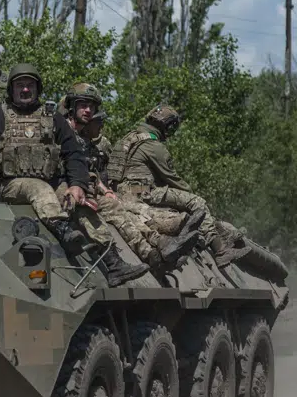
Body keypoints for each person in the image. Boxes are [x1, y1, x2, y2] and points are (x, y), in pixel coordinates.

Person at [0, 64, 149, 286]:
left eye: (30, 85)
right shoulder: (0, 115)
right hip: (11, 186)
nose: (26, 89)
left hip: (50, 181)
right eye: (20, 85)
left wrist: (77, 185)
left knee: (80, 203)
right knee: (37, 188)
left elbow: (73, 153)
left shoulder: (53, 118)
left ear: (37, 89)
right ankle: (63, 231)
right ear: (12, 89)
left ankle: (113, 262)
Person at [57, 84, 203, 272]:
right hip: (71, 191)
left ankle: (157, 250)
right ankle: (170, 232)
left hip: (98, 191)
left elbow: (91, 170)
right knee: (127, 209)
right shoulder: (60, 132)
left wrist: (105, 190)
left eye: (91, 107)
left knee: (122, 210)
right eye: (83, 105)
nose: (89, 113)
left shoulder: (89, 141)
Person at [106, 104, 251, 267]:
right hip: (140, 191)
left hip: (122, 191)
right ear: (165, 125)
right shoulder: (153, 145)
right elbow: (174, 180)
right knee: (197, 202)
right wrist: (190, 196)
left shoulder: (129, 138)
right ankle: (220, 250)